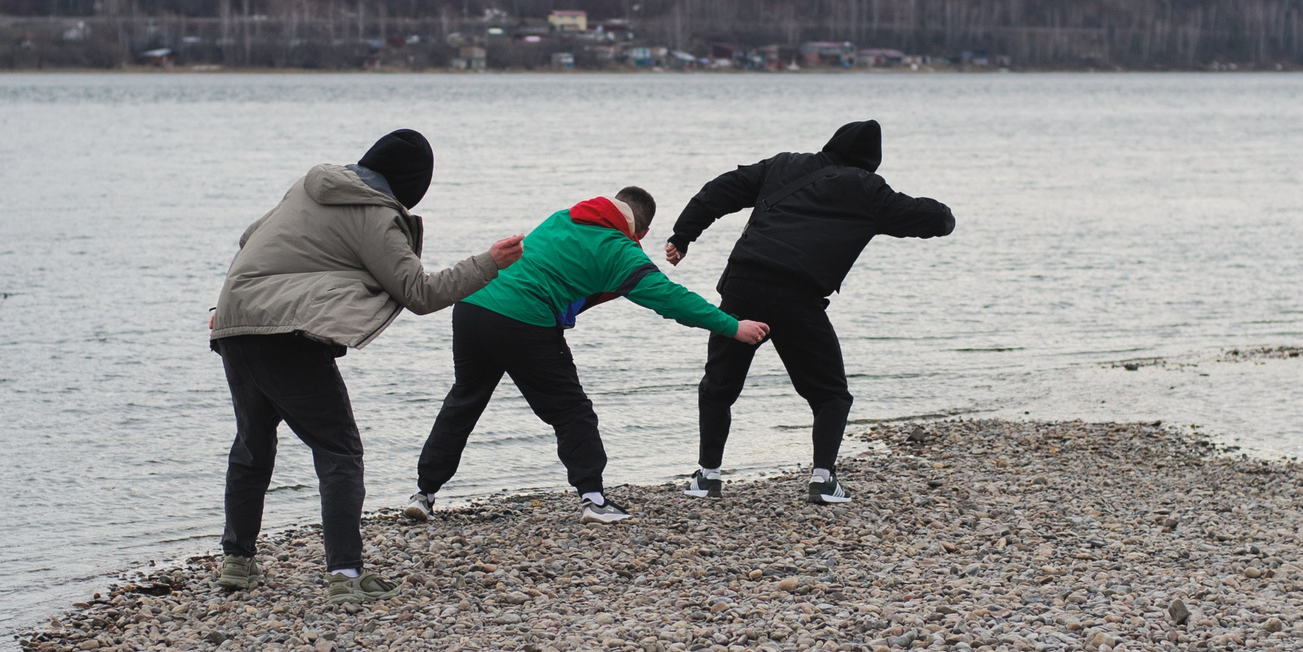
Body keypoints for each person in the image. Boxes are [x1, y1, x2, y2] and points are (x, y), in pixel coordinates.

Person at [209, 128, 522, 602]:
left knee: (253, 444)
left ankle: (237, 562)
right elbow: (419, 292)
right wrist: (490, 262)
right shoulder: (375, 214)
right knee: (340, 452)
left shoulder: (311, 186)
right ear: (412, 183)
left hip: (232, 321)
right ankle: (345, 575)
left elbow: (250, 236)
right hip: (285, 335)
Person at [404, 186, 768, 526]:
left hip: (472, 304)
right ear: (640, 230)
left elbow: (560, 275)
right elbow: (671, 299)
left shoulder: (563, 217)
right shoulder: (620, 248)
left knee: (464, 401)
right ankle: (593, 500)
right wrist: (733, 327)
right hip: (523, 319)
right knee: (571, 411)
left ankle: (423, 494)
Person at [664, 119, 954, 505]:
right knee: (830, 393)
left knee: (719, 385)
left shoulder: (783, 165)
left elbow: (719, 190)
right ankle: (822, 479)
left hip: (744, 286)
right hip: (797, 299)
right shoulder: (869, 191)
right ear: (873, 160)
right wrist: (943, 213)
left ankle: (708, 477)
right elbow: (934, 220)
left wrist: (683, 234)